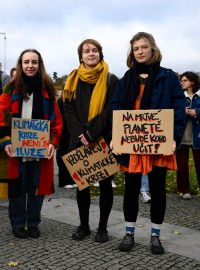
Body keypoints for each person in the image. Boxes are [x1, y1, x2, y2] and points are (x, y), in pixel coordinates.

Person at [111, 32, 186, 254]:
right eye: (136, 48)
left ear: (152, 49)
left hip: (158, 143)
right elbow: (116, 106)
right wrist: (116, 136)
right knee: (131, 190)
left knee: (158, 190)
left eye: (144, 47)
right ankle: (129, 233)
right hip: (131, 144)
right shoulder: (126, 77)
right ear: (132, 52)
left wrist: (175, 136)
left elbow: (178, 107)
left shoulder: (168, 76)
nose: (140, 51)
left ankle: (155, 236)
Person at [0, 49, 63, 239]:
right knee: (17, 189)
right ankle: (18, 223)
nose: (30, 66)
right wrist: (6, 142)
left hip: (39, 151)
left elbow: (56, 121)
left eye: (34, 62)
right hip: (16, 151)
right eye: (26, 62)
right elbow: (2, 118)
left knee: (37, 189)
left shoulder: (48, 92)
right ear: (21, 65)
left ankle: (34, 223)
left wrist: (53, 142)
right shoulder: (9, 90)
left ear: (39, 65)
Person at [63, 38, 118, 242]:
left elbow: (112, 109)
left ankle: (102, 228)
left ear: (100, 54)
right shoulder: (73, 79)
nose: (91, 53)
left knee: (105, 186)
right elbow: (67, 109)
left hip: (103, 139)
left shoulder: (111, 79)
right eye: (86, 51)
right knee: (82, 186)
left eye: (94, 50)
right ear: (81, 56)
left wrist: (91, 132)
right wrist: (81, 134)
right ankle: (83, 225)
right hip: (79, 141)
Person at [176, 71, 200, 199]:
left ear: (192, 82)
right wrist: (181, 111)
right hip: (181, 137)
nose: (182, 82)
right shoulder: (179, 96)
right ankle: (184, 190)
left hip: (197, 137)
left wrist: (197, 112)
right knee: (182, 166)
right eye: (181, 80)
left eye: (184, 80)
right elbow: (172, 111)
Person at [56, 82, 77, 189]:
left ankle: (72, 179)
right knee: (63, 155)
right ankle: (64, 181)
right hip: (63, 132)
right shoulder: (60, 101)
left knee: (72, 155)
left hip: (71, 132)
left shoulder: (73, 101)